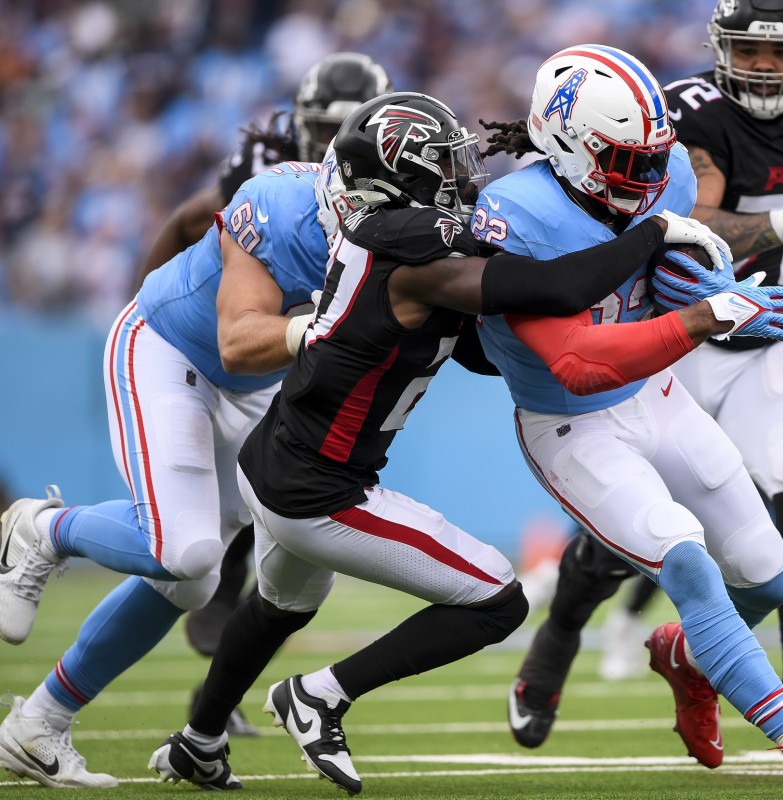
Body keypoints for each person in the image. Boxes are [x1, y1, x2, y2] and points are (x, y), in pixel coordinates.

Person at [148, 90, 740, 796]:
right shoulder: (412, 248)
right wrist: (651, 234)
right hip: (320, 491)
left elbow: (478, 351)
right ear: (396, 181)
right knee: (499, 600)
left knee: (279, 606)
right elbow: (554, 287)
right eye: (444, 170)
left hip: (277, 459)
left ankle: (198, 742)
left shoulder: (386, 238)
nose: (463, 185)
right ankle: (320, 696)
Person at [508, 0, 783, 740]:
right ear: (720, 47)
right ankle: (560, 633)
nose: (763, 66)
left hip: (772, 328)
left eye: (780, 52)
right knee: (633, 533)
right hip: (683, 337)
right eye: (748, 51)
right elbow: (689, 226)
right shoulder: (685, 116)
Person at [0, 54, 390, 787]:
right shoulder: (277, 192)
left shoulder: (396, 227)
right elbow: (242, 337)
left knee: (192, 575)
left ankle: (38, 725)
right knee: (185, 554)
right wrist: (159, 295)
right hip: (175, 347)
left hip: (254, 385)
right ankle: (43, 528)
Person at [141, 51, 393, 739]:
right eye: (323, 126)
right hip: (265, 333)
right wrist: (151, 293)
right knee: (225, 511)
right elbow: (198, 222)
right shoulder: (272, 170)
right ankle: (217, 598)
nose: (333, 141)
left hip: (314, 343)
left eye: (348, 127)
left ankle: (217, 684)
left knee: (290, 497)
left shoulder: (390, 172)